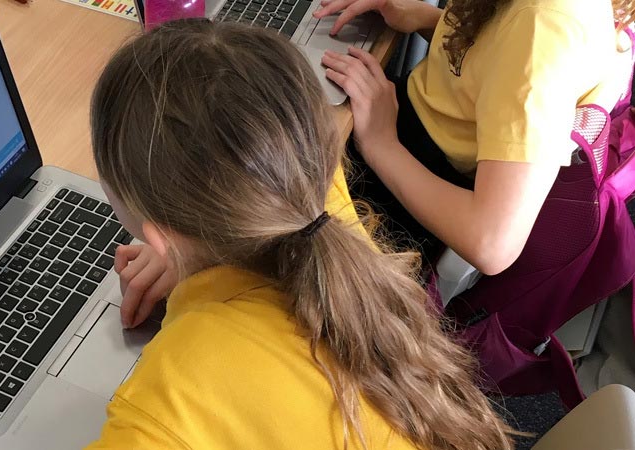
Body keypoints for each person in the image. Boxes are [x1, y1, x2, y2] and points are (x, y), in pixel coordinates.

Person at [86, 19, 514, 450]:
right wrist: (192, 253)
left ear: (160, 235)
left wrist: (190, 250)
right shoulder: (314, 198)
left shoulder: (167, 401)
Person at [316, 0, 634, 273]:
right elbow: (503, 61)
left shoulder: (544, 25)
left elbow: (492, 242)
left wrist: (380, 143)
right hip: (401, 126)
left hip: (405, 185)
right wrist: (427, 21)